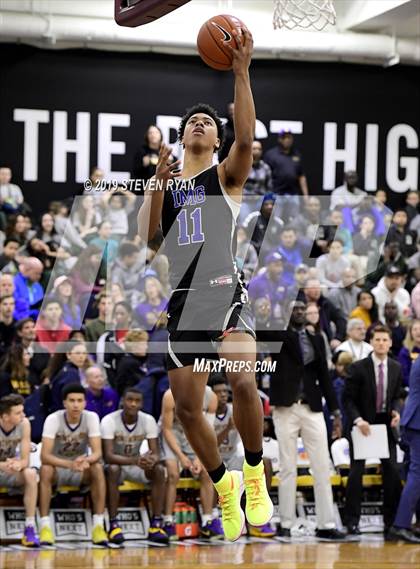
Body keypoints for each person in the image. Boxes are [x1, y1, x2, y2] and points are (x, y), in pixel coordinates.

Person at [137, 28, 273, 542]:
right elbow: (149, 240)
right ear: (182, 137)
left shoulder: (226, 176)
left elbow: (245, 137)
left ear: (215, 140)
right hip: (184, 303)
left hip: (225, 290)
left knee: (241, 381)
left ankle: (255, 475)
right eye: (191, 121)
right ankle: (225, 482)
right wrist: (155, 183)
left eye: (207, 122)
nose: (199, 124)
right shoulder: (168, 187)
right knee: (189, 411)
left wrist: (240, 72)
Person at [267, 301, 344, 539]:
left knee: (322, 465)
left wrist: (336, 411)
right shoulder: (278, 335)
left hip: (311, 406)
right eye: (295, 308)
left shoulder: (317, 339)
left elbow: (324, 376)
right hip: (285, 408)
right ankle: (286, 523)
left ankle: (326, 524)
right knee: (288, 467)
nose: (300, 312)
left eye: (303, 308)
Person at [343, 325, 403, 536]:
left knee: (393, 472)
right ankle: (352, 521)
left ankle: (390, 522)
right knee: (356, 472)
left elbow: (396, 396)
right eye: (377, 339)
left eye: (384, 340)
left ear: (390, 343)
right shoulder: (359, 367)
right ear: (372, 342)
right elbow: (347, 399)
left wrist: (396, 412)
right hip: (362, 424)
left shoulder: (396, 367)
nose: (381, 343)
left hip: (385, 424)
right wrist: (358, 420)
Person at [39, 383, 108, 546]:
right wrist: (70, 464)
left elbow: (98, 453)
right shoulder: (53, 419)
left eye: (79, 400)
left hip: (80, 467)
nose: (76, 405)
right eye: (71, 401)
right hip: (58, 467)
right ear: (64, 403)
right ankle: (44, 527)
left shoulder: (91, 417)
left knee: (97, 468)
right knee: (45, 470)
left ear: (85, 403)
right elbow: (44, 456)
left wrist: (86, 460)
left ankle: (99, 525)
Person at [101, 387, 168, 544]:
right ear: (122, 402)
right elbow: (108, 456)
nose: (133, 404)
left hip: (136, 465)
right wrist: (135, 461)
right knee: (113, 469)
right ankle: (113, 524)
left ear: (142, 404)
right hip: (118, 466)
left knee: (158, 469)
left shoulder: (148, 420)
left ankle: (156, 523)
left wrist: (151, 460)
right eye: (129, 400)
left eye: (137, 401)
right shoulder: (109, 420)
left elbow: (156, 453)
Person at [211, 377, 275, 538]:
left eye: (225, 391)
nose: (223, 395)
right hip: (216, 459)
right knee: (209, 474)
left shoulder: (235, 409)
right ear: (210, 395)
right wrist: (227, 428)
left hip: (232, 458)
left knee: (265, 462)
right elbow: (212, 444)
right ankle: (211, 519)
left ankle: (256, 498)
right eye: (219, 392)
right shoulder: (207, 414)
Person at [160, 386, 223, 541]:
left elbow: (207, 430)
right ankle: (167, 521)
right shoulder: (170, 396)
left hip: (195, 436)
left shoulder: (211, 397)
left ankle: (208, 520)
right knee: (173, 474)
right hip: (173, 435)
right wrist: (181, 456)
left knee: (207, 472)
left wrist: (199, 457)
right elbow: (166, 429)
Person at [387, 357, 420, 543]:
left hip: (413, 421)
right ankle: (400, 525)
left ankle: (407, 523)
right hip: (417, 423)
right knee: (417, 475)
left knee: (413, 473)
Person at [0, 394, 39, 546]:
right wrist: (4, 465)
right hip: (3, 467)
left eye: (22, 411)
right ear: (5, 416)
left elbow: (25, 459)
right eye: (18, 413)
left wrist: (19, 465)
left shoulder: (24, 424)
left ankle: (29, 528)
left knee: (30, 473)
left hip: (10, 469)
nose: (23, 415)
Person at [264, 129, 308, 221]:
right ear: (279, 139)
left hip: (293, 194)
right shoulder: (271, 155)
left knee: (295, 220)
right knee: (275, 220)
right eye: (284, 137)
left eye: (289, 137)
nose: (287, 140)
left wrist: (305, 196)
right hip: (277, 194)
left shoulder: (297, 155)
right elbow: (266, 175)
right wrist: (268, 194)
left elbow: (301, 176)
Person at [398, 320, 420, 387]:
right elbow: (404, 376)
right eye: (415, 329)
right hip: (412, 388)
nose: (418, 332)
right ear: (410, 333)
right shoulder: (405, 352)